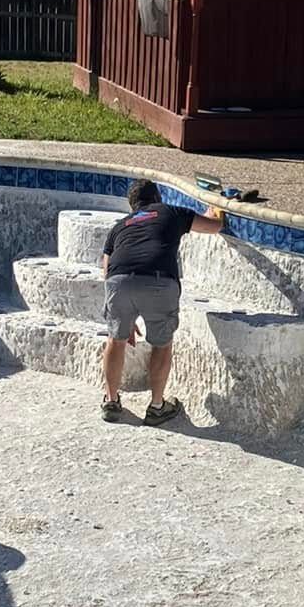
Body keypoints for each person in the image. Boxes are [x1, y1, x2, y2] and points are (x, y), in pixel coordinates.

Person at [99, 179, 225, 424]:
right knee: (161, 344)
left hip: (119, 282)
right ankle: (157, 407)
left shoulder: (120, 225)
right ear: (157, 197)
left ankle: (111, 400)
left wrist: (122, 313)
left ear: (132, 206)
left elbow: (107, 267)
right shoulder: (170, 211)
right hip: (159, 281)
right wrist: (217, 209)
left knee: (116, 339)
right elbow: (214, 226)